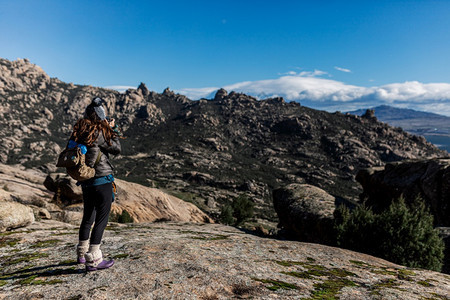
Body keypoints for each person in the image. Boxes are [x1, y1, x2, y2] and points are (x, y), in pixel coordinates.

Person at [69, 97, 121, 271]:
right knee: (101, 220)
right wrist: (112, 128)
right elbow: (117, 149)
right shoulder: (99, 134)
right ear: (100, 116)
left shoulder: (79, 132)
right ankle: (95, 259)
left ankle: (82, 255)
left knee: (87, 218)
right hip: (102, 181)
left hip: (86, 181)